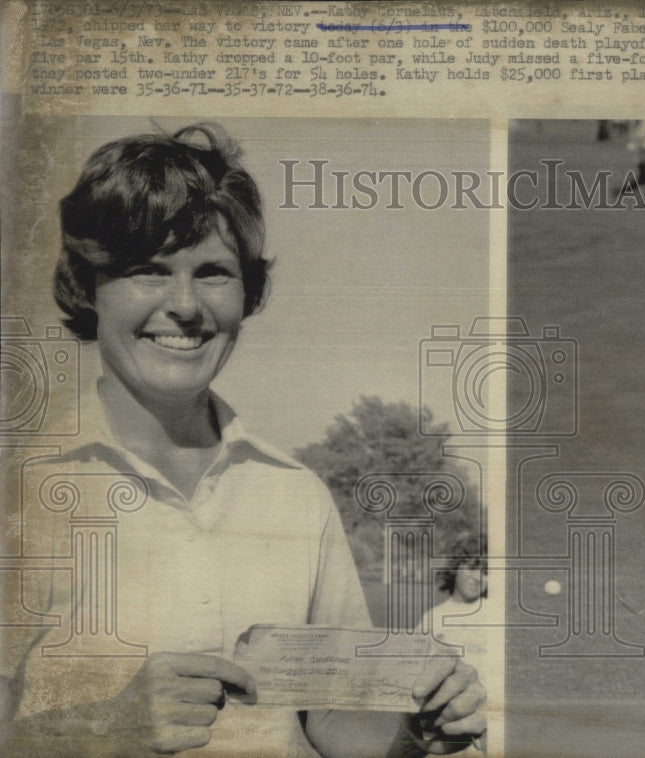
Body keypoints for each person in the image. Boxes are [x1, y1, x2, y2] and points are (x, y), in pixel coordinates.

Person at [0, 123, 485, 756]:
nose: (186, 305)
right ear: (88, 288)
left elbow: (335, 715)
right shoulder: (20, 486)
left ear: (247, 293)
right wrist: (96, 731)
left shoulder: (294, 492)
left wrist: (414, 730)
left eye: (213, 273)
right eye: (148, 270)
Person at [417, 537, 489, 756]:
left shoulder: (497, 612)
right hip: (443, 729)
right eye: (471, 567)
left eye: (486, 571)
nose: (478, 577)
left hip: (485, 727)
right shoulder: (434, 617)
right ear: (455, 568)